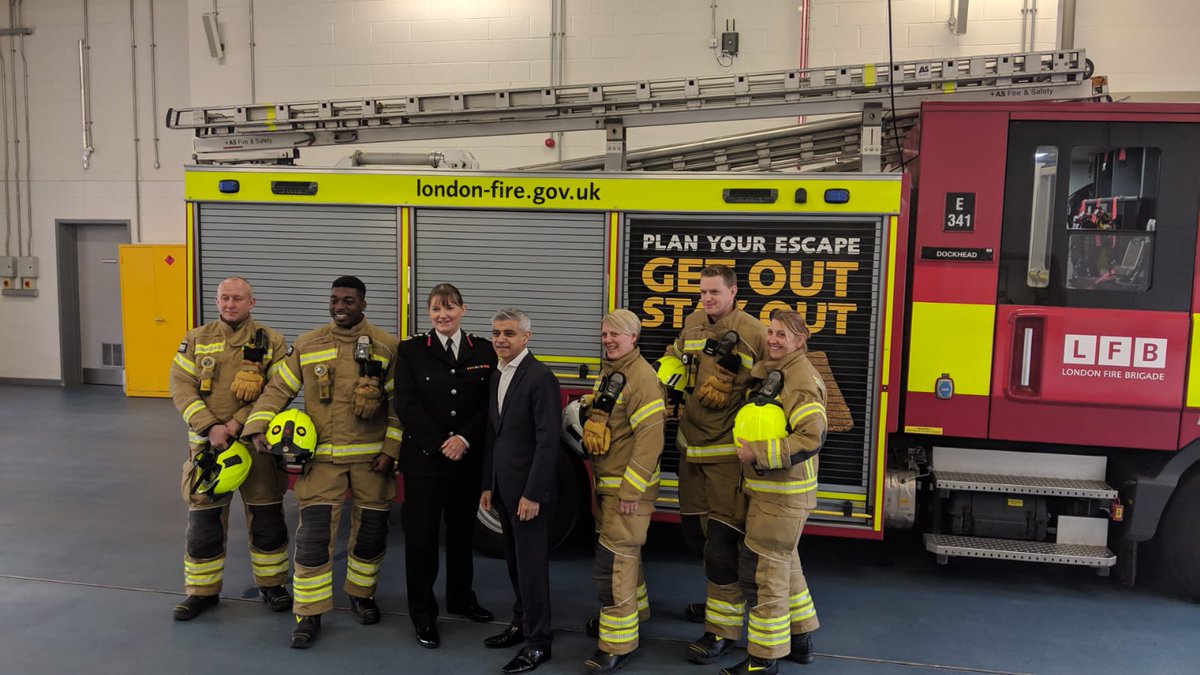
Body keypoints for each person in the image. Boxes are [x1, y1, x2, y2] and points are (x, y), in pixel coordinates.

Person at [243, 276, 402, 649]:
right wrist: (258, 425)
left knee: (371, 536)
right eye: (334, 300)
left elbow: (399, 406)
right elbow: (279, 388)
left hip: (370, 462)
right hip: (322, 463)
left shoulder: (387, 346)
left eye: (348, 300)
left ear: (363, 304)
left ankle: (361, 596)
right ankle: (308, 612)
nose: (339, 307)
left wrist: (390, 450)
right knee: (313, 539)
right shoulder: (307, 343)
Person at [169, 276, 292, 621]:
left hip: (256, 445)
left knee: (267, 517)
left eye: (237, 298)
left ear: (252, 303)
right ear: (217, 301)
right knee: (204, 520)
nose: (229, 304)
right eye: (224, 298)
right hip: (208, 448)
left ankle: (273, 586)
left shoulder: (273, 342)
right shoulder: (196, 339)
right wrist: (210, 427)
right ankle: (202, 592)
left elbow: (277, 389)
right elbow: (180, 386)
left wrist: (238, 424)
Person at [663, 264, 767, 665]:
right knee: (696, 537)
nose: (706, 299)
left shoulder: (754, 333)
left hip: (726, 456)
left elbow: (768, 393)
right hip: (689, 449)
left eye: (714, 293)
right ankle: (719, 601)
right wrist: (671, 382)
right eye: (702, 292)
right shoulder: (692, 324)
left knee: (722, 544)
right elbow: (673, 357)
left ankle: (721, 631)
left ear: (733, 292)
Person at [393, 283, 497, 649]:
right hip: (424, 462)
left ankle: (461, 598)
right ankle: (423, 615)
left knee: (461, 536)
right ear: (429, 313)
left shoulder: (483, 350)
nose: (443, 315)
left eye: (449, 308)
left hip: (465, 461)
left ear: (463, 310)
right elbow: (404, 403)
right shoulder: (410, 351)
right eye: (436, 309)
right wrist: (441, 442)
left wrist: (464, 439)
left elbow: (490, 404)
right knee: (421, 539)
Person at [724, 310, 824, 674]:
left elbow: (812, 436)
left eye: (782, 333)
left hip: (783, 496)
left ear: (801, 339)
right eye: (770, 331)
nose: (773, 339)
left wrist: (758, 453)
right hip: (772, 493)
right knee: (785, 565)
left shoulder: (799, 378)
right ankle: (800, 640)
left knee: (764, 573)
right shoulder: (778, 370)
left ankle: (763, 659)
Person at [580, 309, 666, 674]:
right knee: (625, 559)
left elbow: (651, 440)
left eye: (616, 335)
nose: (609, 340)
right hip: (610, 487)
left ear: (634, 338)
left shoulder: (642, 378)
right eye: (604, 334)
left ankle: (617, 643)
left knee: (612, 564)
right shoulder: (613, 371)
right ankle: (634, 615)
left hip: (626, 491)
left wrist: (632, 489)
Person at [480, 307, 561, 674]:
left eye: (509, 333)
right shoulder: (499, 373)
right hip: (504, 490)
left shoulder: (540, 377)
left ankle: (539, 642)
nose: (500, 339)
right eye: (497, 332)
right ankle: (521, 622)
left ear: (526, 337)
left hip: (528, 495)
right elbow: (493, 436)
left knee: (531, 568)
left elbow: (547, 443)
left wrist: (533, 494)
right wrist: (487, 485)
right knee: (514, 562)